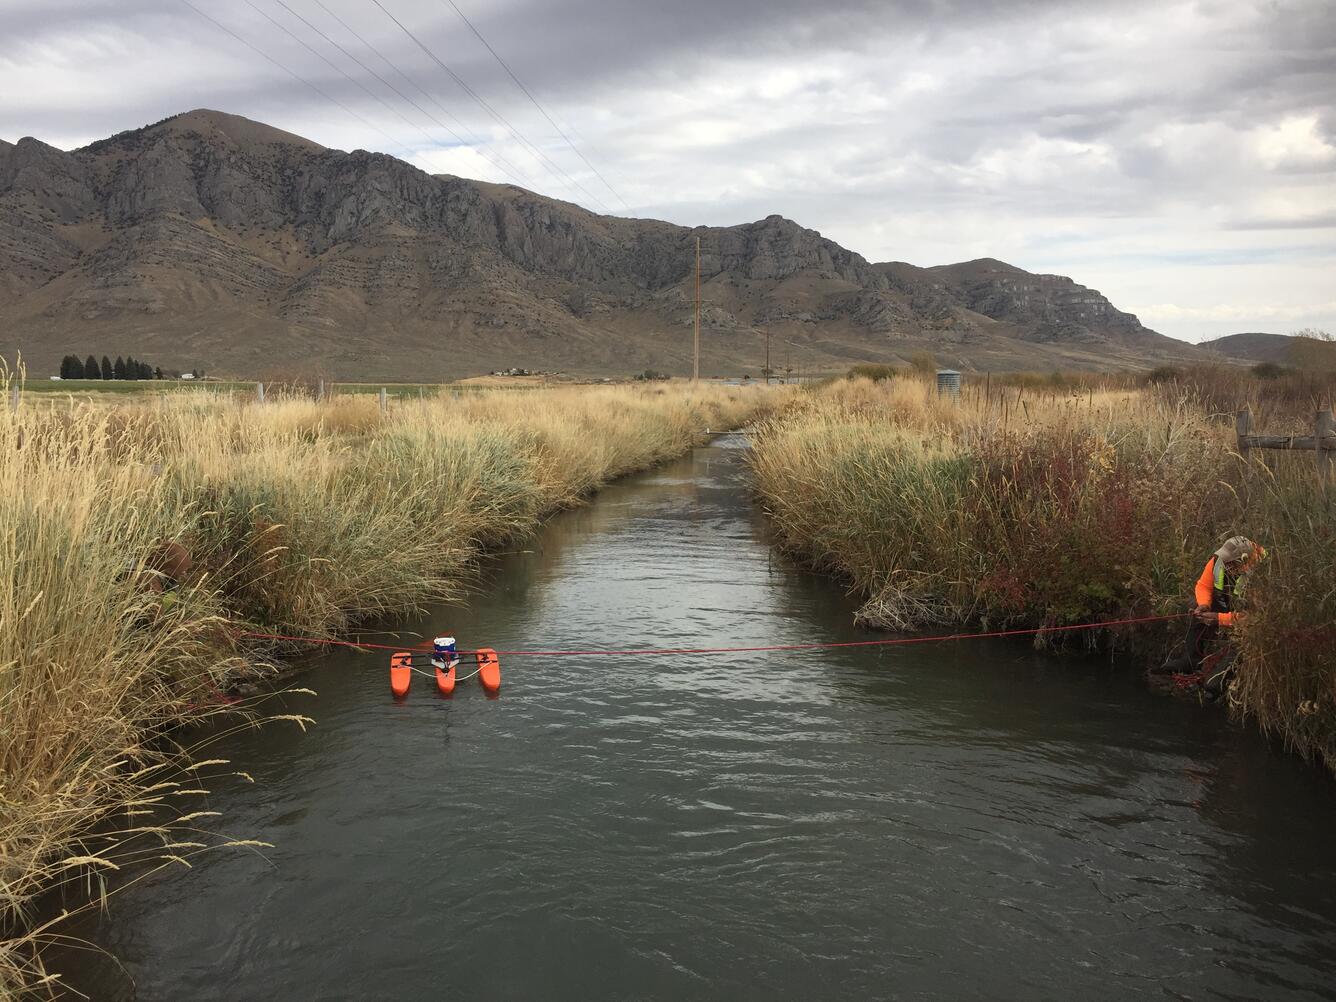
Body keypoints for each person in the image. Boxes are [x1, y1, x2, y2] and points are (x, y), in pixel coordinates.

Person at [1156, 535, 1265, 695]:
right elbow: (1203, 586)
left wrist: (1220, 619)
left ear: (1243, 561)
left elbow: (1256, 618)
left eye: (1230, 563)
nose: (1225, 564)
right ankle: (1191, 659)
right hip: (1225, 608)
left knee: (1211, 686)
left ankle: (1226, 674)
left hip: (1249, 628)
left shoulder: (1263, 574)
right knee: (1195, 606)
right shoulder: (1217, 561)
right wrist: (1204, 605)